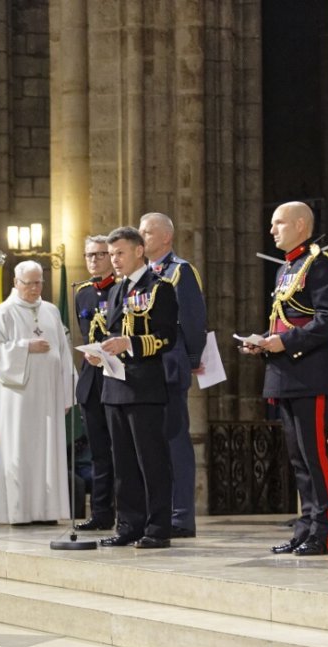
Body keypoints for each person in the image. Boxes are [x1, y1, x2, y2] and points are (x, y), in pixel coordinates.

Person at [241, 202, 328, 556]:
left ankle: (325, 529)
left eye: (279, 223)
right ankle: (305, 528)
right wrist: (265, 345)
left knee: (315, 455)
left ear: (301, 225)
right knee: (298, 459)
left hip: (311, 374)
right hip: (285, 372)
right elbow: (285, 320)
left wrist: (284, 342)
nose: (272, 230)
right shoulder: (287, 268)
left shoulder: (319, 264)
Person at [86, 226, 178, 548]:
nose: (115, 260)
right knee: (122, 462)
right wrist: (99, 353)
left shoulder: (159, 288)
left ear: (139, 251)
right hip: (114, 385)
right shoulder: (114, 291)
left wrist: (131, 343)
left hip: (144, 386)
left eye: (120, 253)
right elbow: (108, 332)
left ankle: (157, 528)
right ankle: (129, 524)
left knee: (151, 460)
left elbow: (167, 336)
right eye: (111, 254)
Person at [0, 260, 74, 525]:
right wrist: (24, 347)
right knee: (20, 450)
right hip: (18, 398)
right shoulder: (4, 312)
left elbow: (64, 352)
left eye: (39, 282)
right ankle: (19, 512)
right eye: (29, 283)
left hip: (48, 396)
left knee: (48, 449)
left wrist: (67, 393)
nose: (35, 288)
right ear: (16, 283)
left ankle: (47, 511)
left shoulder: (52, 311)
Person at [139, 212, 208, 538]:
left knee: (175, 442)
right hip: (145, 370)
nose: (143, 238)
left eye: (148, 233)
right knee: (151, 444)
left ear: (166, 237)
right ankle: (159, 513)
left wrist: (193, 359)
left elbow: (194, 320)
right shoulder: (142, 275)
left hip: (169, 366)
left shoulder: (179, 272)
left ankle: (182, 517)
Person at [72, 236, 118, 531]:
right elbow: (85, 331)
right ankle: (101, 514)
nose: (93, 260)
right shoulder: (82, 293)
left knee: (122, 452)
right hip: (92, 381)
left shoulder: (122, 289)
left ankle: (127, 512)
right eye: (89, 255)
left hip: (117, 376)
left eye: (100, 254)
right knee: (99, 453)